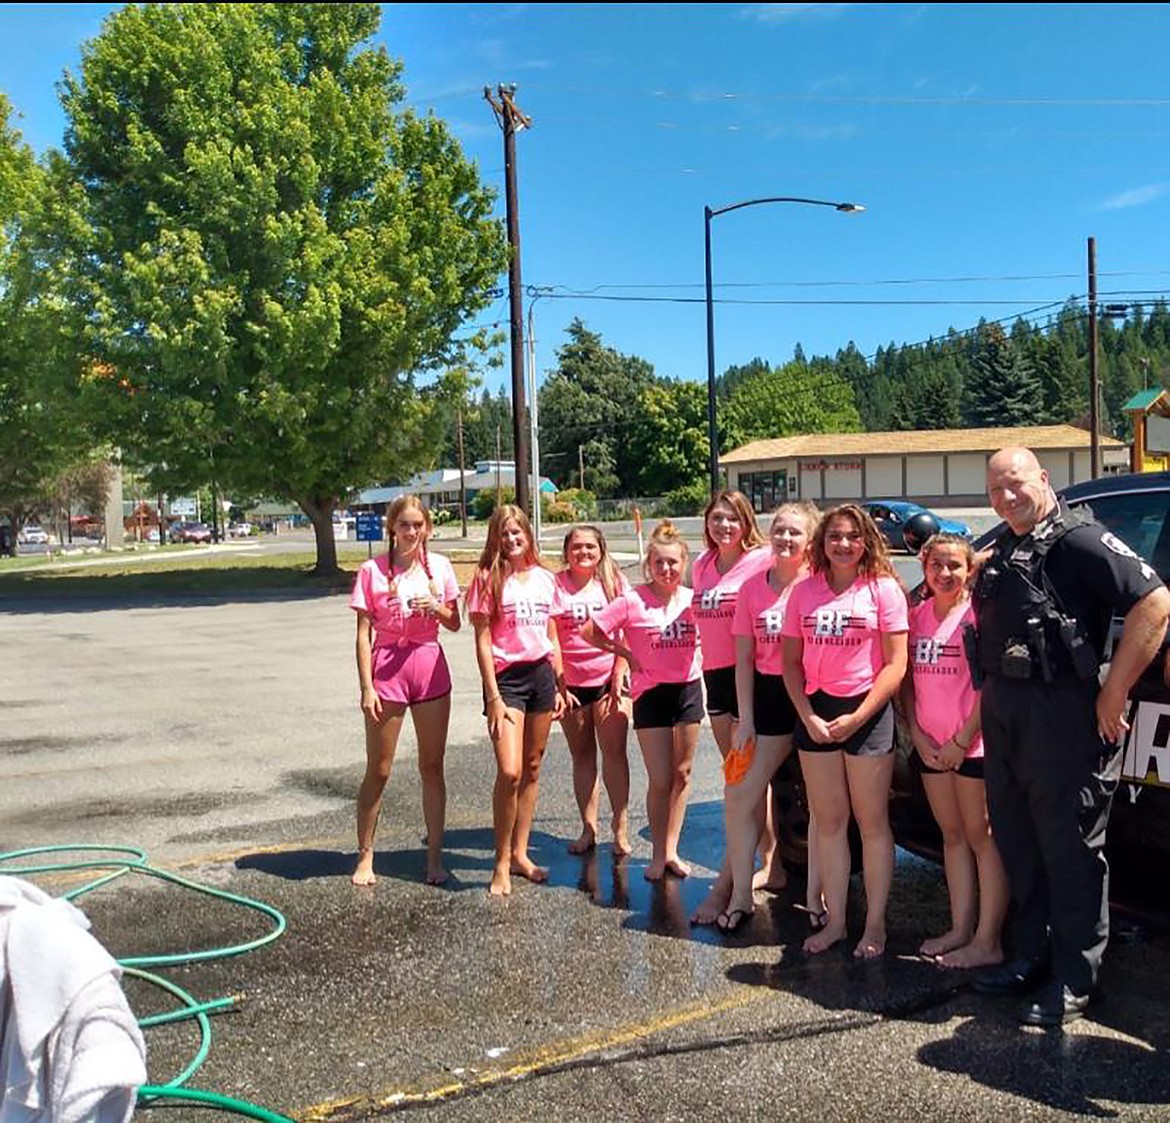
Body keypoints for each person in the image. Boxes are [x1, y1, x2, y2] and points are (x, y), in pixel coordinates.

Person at [970, 447, 1170, 1025]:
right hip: (1008, 708)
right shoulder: (1005, 544)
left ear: (1044, 479)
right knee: (1019, 842)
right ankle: (1028, 957)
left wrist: (1115, 691)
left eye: (1016, 484)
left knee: (1071, 850)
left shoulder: (1079, 538)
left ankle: (1076, 980)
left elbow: (1154, 603)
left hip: (1063, 713)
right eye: (995, 489)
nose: (1006, 498)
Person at [782, 503, 908, 958]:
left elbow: (896, 665)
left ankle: (874, 925)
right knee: (830, 823)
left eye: (853, 536)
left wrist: (858, 717)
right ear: (822, 541)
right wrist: (807, 715)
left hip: (867, 713)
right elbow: (789, 663)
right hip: (816, 711)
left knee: (872, 824)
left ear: (867, 541)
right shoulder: (804, 591)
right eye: (835, 536)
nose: (843, 544)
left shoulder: (883, 590)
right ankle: (836, 921)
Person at [716, 501, 824, 934]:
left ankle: (817, 898)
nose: (785, 539)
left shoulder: (820, 584)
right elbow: (744, 659)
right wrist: (745, 718)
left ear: (810, 540)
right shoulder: (752, 589)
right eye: (779, 529)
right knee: (739, 795)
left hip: (817, 699)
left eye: (795, 532)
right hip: (767, 700)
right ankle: (741, 894)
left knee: (822, 807)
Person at [901, 532, 1008, 969]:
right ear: (925, 568)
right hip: (931, 747)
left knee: (982, 838)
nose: (945, 574)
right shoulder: (918, 617)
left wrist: (963, 739)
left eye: (955, 566)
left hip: (973, 746)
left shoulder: (978, 617)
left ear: (970, 571)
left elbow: (990, 685)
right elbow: (907, 683)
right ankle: (960, 928)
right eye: (937, 565)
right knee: (952, 837)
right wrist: (919, 736)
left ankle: (989, 939)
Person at [581, 520, 703, 882]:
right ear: (649, 564)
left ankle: (671, 851)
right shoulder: (633, 600)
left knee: (682, 774)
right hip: (651, 694)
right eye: (659, 563)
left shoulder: (691, 600)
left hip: (688, 690)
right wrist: (625, 653)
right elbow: (591, 630)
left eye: (673, 563)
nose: (666, 570)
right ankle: (655, 855)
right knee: (661, 778)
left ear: (684, 564)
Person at [349, 496, 461, 887]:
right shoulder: (372, 571)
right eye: (404, 525)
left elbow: (456, 623)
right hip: (387, 670)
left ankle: (434, 860)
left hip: (429, 668)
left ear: (427, 528)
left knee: (432, 766)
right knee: (379, 769)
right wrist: (366, 686)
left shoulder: (441, 567)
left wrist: (436, 608)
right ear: (392, 528)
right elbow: (363, 635)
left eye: (418, 525)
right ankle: (365, 856)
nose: (411, 532)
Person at [467, 504, 567, 897]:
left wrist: (560, 683)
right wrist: (491, 694)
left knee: (532, 767)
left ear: (528, 535)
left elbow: (553, 635)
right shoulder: (486, 578)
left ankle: (521, 854)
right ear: (495, 537)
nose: (511, 540)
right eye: (504, 534)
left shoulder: (545, 579)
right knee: (508, 771)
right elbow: (482, 640)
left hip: (541, 677)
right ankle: (500, 861)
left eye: (517, 533)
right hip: (506, 681)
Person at [689, 490, 777, 925]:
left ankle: (726, 885)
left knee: (740, 786)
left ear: (746, 523)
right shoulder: (701, 566)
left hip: (754, 678)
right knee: (743, 778)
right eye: (716, 518)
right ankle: (771, 862)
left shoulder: (761, 560)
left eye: (732, 519)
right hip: (716, 678)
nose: (723, 526)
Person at [552, 525, 633, 857]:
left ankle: (620, 828)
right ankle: (589, 828)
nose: (583, 552)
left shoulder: (613, 583)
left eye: (590, 547)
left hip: (607, 681)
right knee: (582, 757)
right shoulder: (556, 585)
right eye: (576, 547)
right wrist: (559, 681)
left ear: (601, 550)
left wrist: (619, 669)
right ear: (567, 551)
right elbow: (551, 636)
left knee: (615, 753)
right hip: (571, 683)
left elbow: (630, 625)